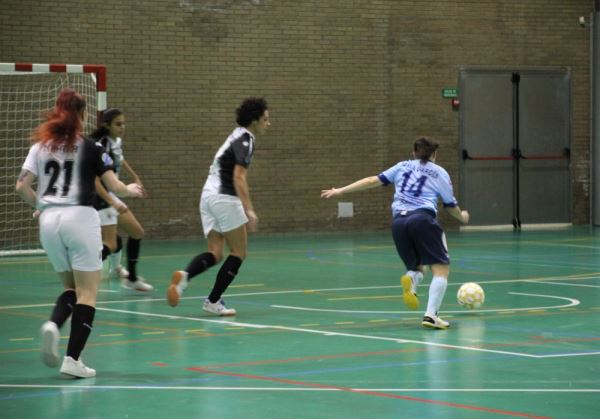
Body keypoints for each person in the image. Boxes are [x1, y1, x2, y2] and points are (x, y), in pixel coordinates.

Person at [15, 89, 143, 378]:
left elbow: (21, 186)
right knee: (88, 291)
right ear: (82, 116)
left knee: (71, 288)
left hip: (48, 221)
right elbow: (115, 185)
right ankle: (73, 359)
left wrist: (42, 204)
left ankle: (53, 324)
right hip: (80, 218)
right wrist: (130, 191)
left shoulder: (40, 146)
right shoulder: (90, 147)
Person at [321, 137, 469, 329]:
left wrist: (341, 190)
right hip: (423, 219)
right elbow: (450, 206)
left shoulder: (402, 166)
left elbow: (371, 180)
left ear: (413, 152)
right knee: (440, 269)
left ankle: (412, 279)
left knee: (416, 267)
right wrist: (462, 217)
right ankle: (431, 315)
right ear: (434, 154)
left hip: (399, 223)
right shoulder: (439, 172)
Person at [167, 97, 270, 315]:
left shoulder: (233, 135)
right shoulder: (246, 139)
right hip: (225, 197)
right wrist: (249, 209)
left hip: (208, 195)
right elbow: (239, 177)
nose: (268, 124)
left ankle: (184, 278)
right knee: (239, 252)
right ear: (254, 121)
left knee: (215, 252)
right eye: (265, 119)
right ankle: (213, 301)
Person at [91, 108, 153, 292]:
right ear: (107, 125)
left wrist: (135, 176)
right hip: (101, 196)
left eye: (124, 123)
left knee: (136, 232)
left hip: (112, 194)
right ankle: (80, 272)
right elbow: (95, 178)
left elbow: (120, 159)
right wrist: (115, 198)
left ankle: (132, 278)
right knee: (111, 243)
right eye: (118, 124)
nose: (122, 127)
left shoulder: (115, 141)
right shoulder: (101, 145)